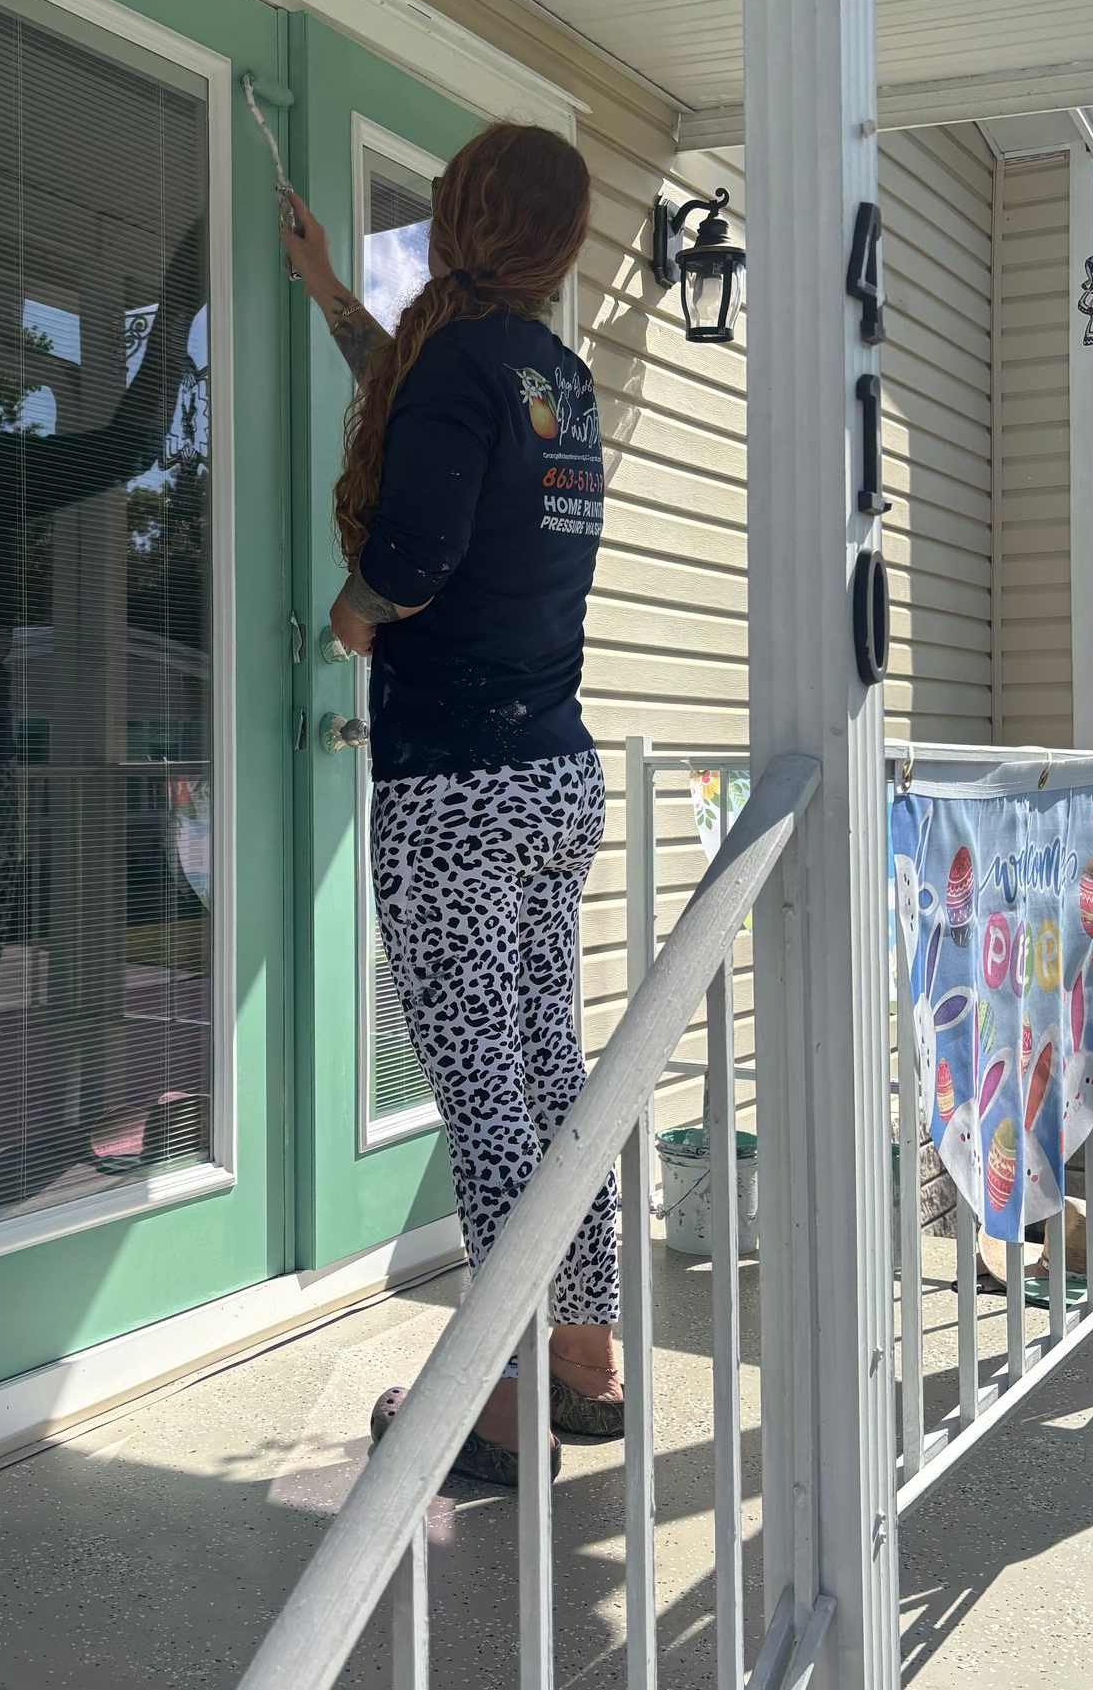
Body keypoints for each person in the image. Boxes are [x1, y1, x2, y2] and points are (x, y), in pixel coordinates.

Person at [281, 122, 619, 1487]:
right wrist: (327, 299)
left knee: (487, 1101)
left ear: (461, 214)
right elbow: (440, 420)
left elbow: (413, 552)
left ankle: (497, 1404)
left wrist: (352, 617)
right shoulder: (553, 375)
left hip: (460, 795)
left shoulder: (466, 366)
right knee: (550, 1087)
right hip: (552, 778)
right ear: (560, 242)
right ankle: (586, 1366)